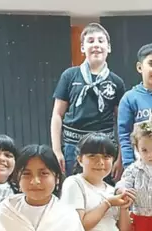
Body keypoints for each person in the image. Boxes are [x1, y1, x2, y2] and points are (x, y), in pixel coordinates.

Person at [50, 23, 126, 179]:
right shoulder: (70, 76)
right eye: (90, 41)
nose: (96, 45)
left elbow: (122, 122)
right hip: (73, 146)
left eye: (100, 41)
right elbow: (57, 114)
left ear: (108, 47)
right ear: (82, 48)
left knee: (104, 190)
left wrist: (120, 158)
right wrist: (56, 150)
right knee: (74, 187)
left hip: (105, 147)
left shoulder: (116, 82)